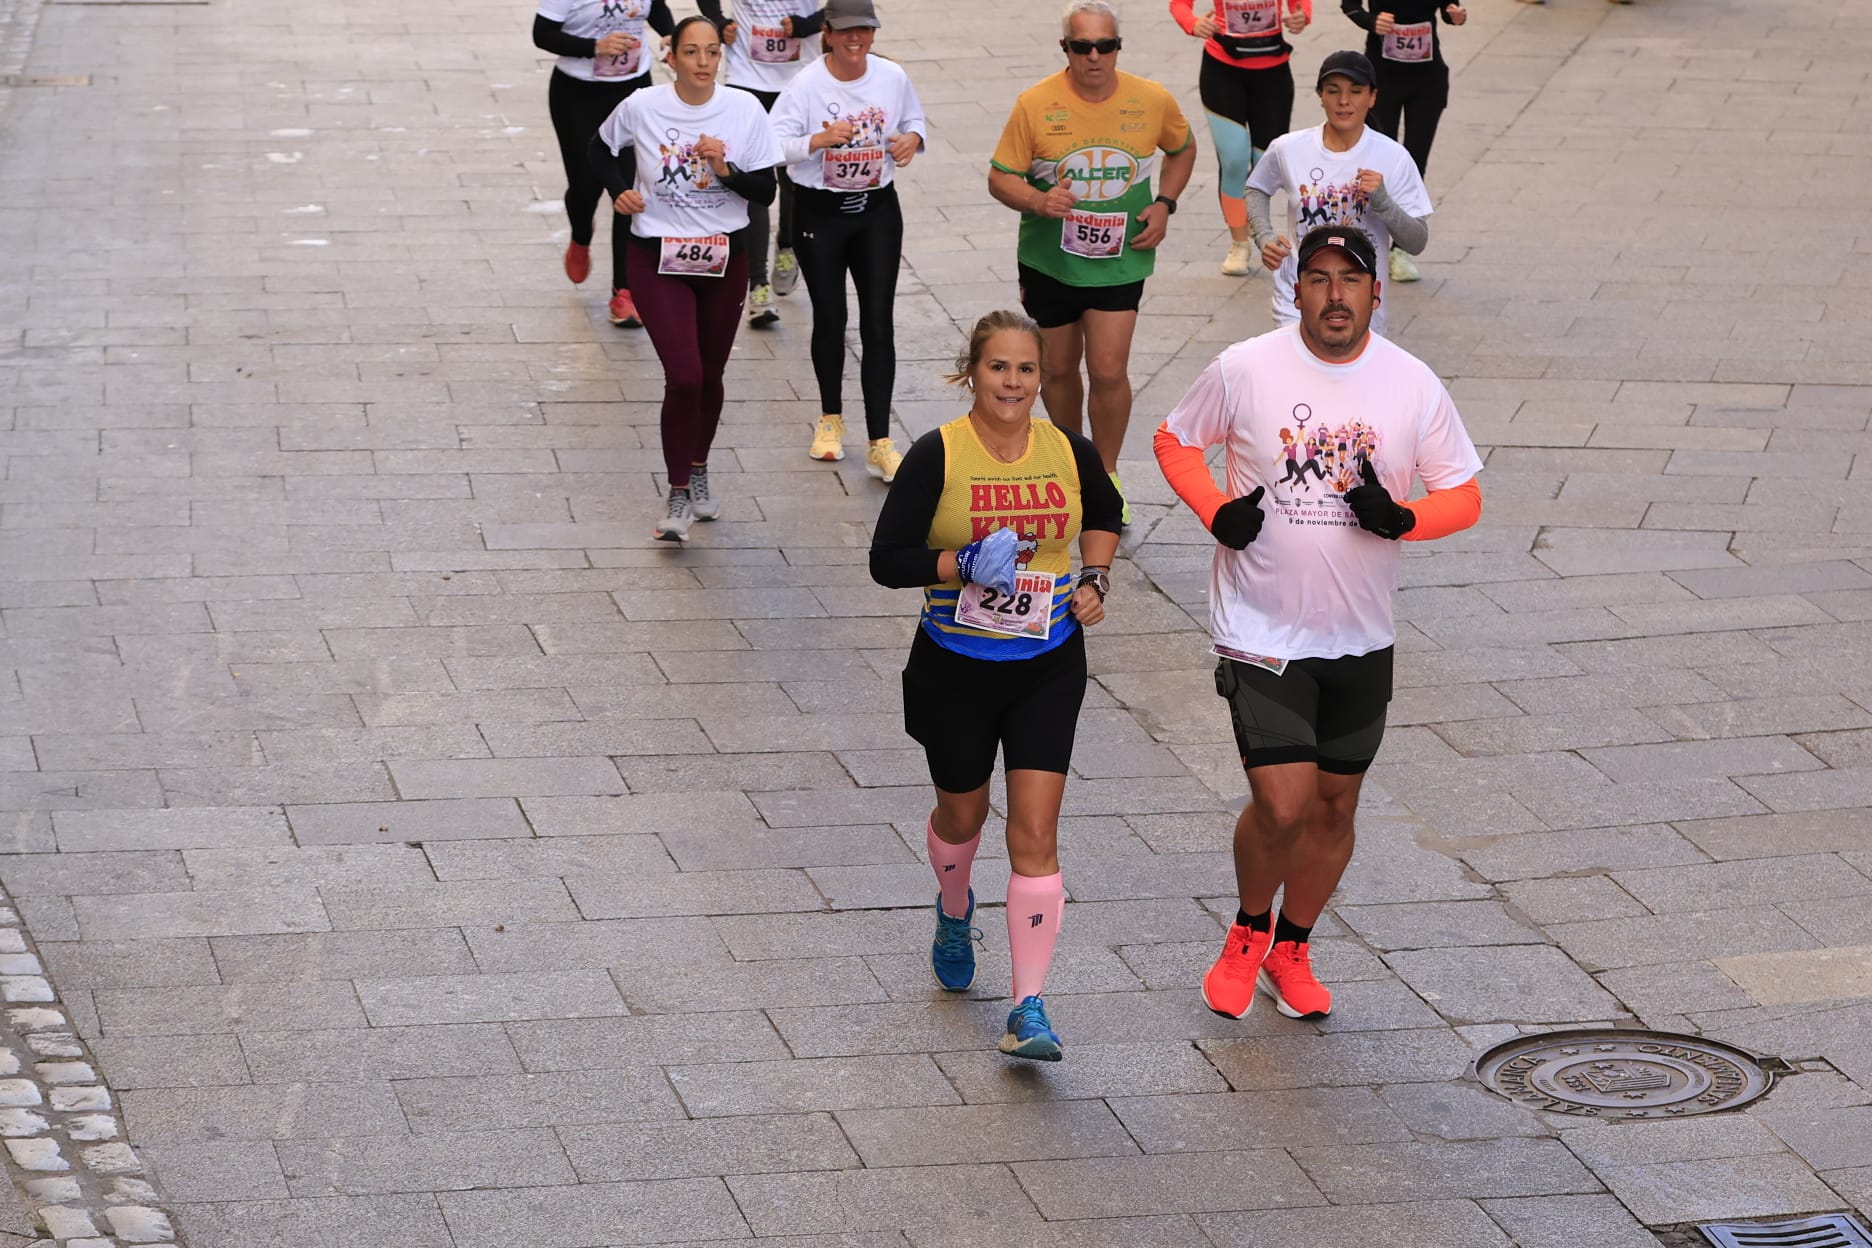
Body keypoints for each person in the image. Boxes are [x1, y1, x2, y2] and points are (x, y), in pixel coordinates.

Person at [1152, 224, 1482, 1022]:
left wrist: (1403, 518)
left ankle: (1292, 947)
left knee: (1335, 807)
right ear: (1294, 289)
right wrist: (1215, 510)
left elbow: (1465, 495)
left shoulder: (1412, 382)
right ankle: (1247, 930)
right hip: (1261, 627)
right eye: (1319, 278)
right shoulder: (1245, 368)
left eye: (1351, 279)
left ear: (1376, 291)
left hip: (1360, 634)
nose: (1336, 295)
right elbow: (1175, 439)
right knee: (1284, 805)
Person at [869, 309, 1124, 1062]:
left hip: (1047, 660)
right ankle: (955, 911)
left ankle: (1028, 1007)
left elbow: (1104, 513)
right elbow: (886, 560)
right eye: (998, 367)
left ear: (1042, 378)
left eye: (1026, 370)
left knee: (1036, 833)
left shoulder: (1068, 450)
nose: (1012, 382)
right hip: (954, 665)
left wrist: (1095, 578)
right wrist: (958, 563)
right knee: (963, 813)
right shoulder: (937, 455)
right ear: (972, 373)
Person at [989, 0, 1197, 527]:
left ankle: (1105, 476)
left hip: (1120, 260)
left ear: (1118, 47)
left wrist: (1164, 204)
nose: (1095, 56)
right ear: (1066, 49)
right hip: (1050, 261)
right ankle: (1072, 468)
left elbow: (1183, 148)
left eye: (1106, 46)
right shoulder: (1036, 104)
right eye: (1083, 47)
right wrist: (1038, 201)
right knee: (1058, 369)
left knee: (1107, 369)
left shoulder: (1150, 99)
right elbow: (1000, 177)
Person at [590, 15, 784, 541]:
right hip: (656, 257)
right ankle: (677, 493)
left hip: (724, 259)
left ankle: (698, 467)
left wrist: (725, 170)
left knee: (711, 375)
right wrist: (619, 191)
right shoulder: (642, 106)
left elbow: (765, 192)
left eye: (712, 52)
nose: (703, 62)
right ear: (670, 56)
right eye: (692, 51)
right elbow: (598, 149)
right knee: (685, 376)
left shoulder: (744, 108)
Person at [771, 0, 927, 481]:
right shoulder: (806, 84)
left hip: (877, 211)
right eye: (845, 31)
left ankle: (880, 441)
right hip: (820, 213)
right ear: (828, 33)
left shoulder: (891, 76)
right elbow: (771, 144)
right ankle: (830, 419)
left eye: (864, 29)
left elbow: (915, 123)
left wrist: (911, 141)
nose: (855, 39)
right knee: (831, 317)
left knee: (878, 322)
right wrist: (816, 142)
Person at [1246, 50, 1431, 336]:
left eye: (1356, 91)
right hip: (1296, 298)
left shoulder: (1393, 157)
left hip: (1362, 306)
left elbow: (1416, 241)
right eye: (1333, 91)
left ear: (1372, 97)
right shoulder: (1288, 148)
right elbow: (1256, 187)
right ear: (1320, 96)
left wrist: (1383, 202)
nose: (1344, 101)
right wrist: (1264, 236)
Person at [534, 0, 677, 329]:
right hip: (577, 94)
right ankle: (581, 235)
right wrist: (595, 46)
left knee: (627, 190)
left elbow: (656, 7)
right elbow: (542, 34)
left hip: (631, 90)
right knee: (585, 187)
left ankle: (623, 291)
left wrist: (669, 34)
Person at [696, 0, 825, 328]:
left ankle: (787, 244)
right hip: (746, 75)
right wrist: (718, 20)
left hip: (797, 76)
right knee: (752, 182)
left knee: (793, 179)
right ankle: (758, 285)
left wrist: (808, 24)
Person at [1169, 0, 1312, 276]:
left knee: (1265, 164)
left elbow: (1300, 5)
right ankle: (1239, 244)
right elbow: (1179, 4)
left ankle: (1258, 228)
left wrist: (1302, 15)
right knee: (1233, 159)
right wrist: (1192, 23)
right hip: (1222, 69)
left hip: (1272, 72)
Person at [1339, 0, 1465, 282]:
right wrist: (1371, 21)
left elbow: (1450, 7)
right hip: (1383, 79)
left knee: (1415, 163)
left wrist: (1455, 14)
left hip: (1427, 80)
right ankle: (1368, 241)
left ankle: (1400, 250)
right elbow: (1349, 5)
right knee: (1378, 163)